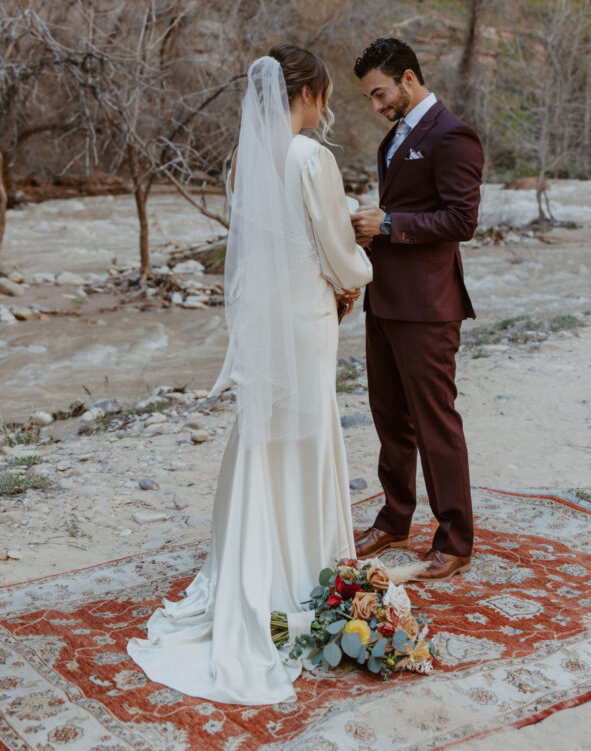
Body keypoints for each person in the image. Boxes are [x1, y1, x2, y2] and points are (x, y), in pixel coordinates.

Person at [127, 46, 372, 704]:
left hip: (266, 319)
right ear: (307, 94)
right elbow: (332, 246)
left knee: (264, 429)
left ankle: (253, 558)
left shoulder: (246, 161)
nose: (325, 109)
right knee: (309, 429)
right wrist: (358, 275)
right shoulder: (308, 157)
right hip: (307, 316)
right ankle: (305, 567)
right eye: (323, 97)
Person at [350, 37, 483, 582]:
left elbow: (461, 221)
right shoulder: (392, 141)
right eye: (369, 98)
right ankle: (394, 520)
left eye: (380, 93)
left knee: (435, 424)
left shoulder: (454, 136)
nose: (376, 106)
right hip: (384, 300)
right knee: (389, 421)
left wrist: (387, 224)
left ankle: (455, 539)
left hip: (428, 307)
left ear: (408, 78)